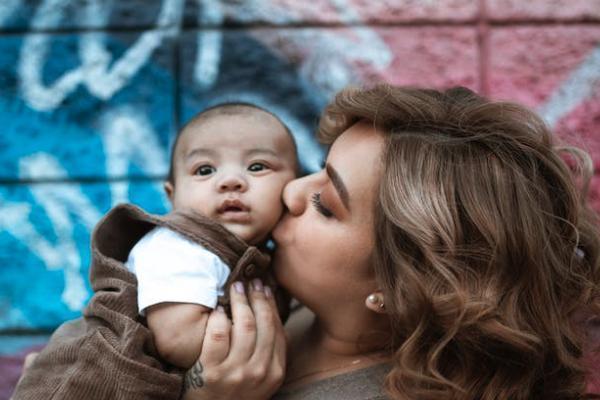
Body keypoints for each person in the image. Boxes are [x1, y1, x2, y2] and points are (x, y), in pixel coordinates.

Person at [16, 85, 600, 400]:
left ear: (400, 287)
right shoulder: (277, 297)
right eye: (317, 169)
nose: (293, 190)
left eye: (326, 203)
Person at [12, 102, 298, 400]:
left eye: (257, 166)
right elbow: (178, 338)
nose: (230, 181)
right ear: (173, 196)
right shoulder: (181, 246)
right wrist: (272, 345)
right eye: (204, 170)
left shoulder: (253, 256)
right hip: (90, 385)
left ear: (296, 186)